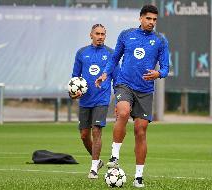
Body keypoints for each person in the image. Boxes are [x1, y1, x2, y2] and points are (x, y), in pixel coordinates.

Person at [95, 4, 169, 188]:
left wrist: (158, 74)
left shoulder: (160, 41)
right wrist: (105, 74)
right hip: (124, 84)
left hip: (145, 90)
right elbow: (114, 59)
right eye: (148, 19)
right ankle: (114, 156)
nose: (152, 22)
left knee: (140, 131)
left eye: (154, 20)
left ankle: (138, 176)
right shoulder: (126, 35)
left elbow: (166, 68)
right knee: (123, 111)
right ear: (140, 18)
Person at [70, 24, 118, 179]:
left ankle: (93, 169)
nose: (100, 37)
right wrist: (73, 93)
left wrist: (119, 101)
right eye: (97, 34)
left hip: (102, 99)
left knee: (96, 130)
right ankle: (97, 161)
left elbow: (117, 80)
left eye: (103, 34)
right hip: (85, 100)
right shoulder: (82, 53)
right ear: (91, 35)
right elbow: (74, 78)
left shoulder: (111, 54)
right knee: (84, 135)